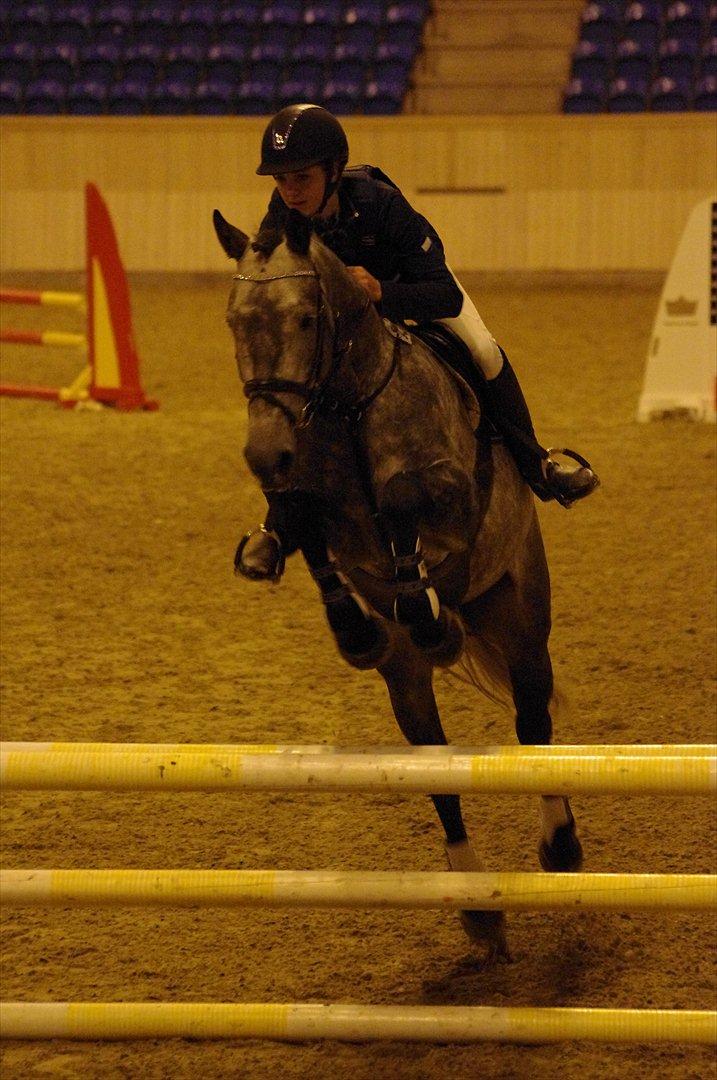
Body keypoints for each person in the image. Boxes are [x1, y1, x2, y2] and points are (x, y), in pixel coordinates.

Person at [237, 103, 599, 581]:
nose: (289, 191)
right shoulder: (281, 212)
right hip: (348, 333)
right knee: (288, 394)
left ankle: (539, 465)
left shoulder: (380, 203)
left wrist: (381, 292)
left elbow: (443, 294)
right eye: (280, 181)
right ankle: (278, 525)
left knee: (484, 350)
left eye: (300, 178)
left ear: (332, 170)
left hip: (415, 298)